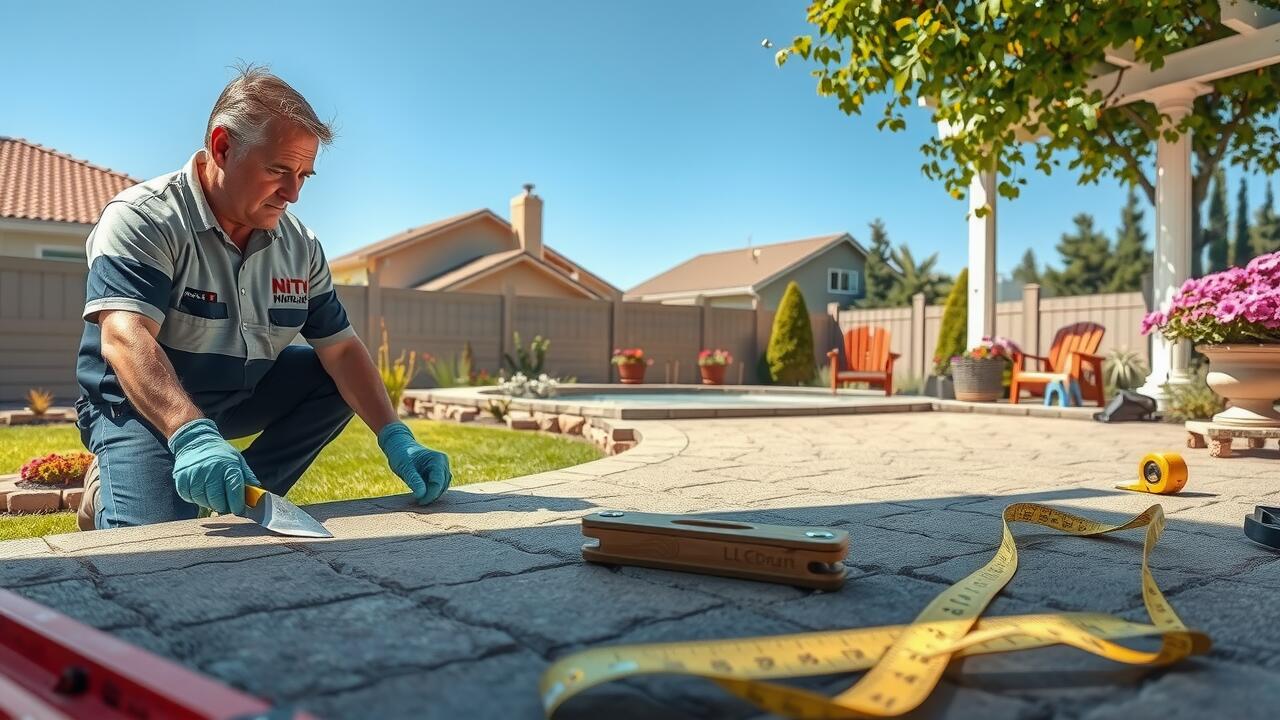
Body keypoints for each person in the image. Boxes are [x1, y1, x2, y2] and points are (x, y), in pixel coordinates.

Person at [74, 66, 450, 530]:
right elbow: (123, 337)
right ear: (222, 147)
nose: (292, 193)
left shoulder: (300, 246)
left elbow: (343, 349)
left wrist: (396, 435)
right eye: (278, 170)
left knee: (331, 377)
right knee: (154, 546)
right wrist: (191, 434)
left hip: (240, 395)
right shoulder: (144, 219)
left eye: (304, 176)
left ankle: (249, 493)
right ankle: (115, 479)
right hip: (137, 405)